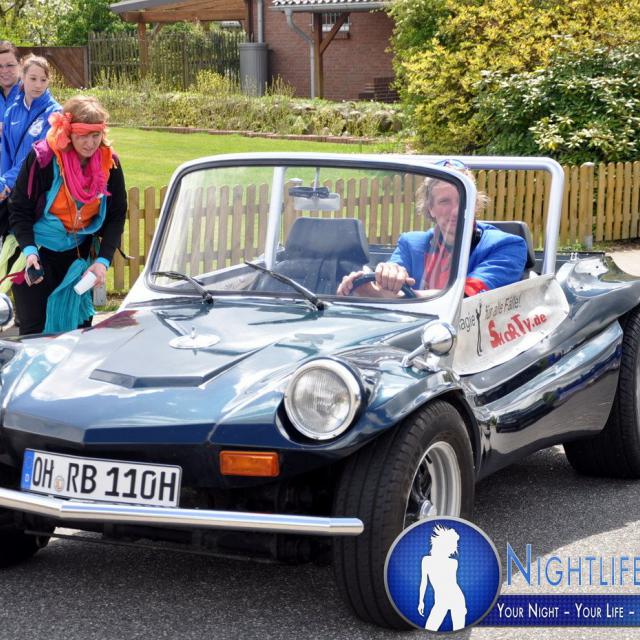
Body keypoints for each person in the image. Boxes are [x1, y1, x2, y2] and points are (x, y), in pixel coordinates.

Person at [7, 95, 126, 335]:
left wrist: (103, 261)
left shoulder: (109, 162)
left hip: (78, 255)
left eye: (96, 135)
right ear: (68, 132)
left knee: (79, 328)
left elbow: (116, 214)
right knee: (35, 331)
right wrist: (29, 251)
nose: (90, 144)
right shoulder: (43, 158)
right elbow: (19, 209)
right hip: (35, 253)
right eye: (83, 135)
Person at [337, 161, 528, 298]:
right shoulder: (411, 243)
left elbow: (468, 297)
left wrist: (407, 296)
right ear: (430, 208)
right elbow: (389, 287)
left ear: (475, 204)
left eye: (463, 201)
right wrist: (368, 287)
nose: (456, 211)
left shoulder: (507, 246)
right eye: (445, 201)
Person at [0, 55, 61, 208]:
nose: (38, 85)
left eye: (43, 80)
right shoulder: (12, 111)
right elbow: (6, 153)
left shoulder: (55, 113)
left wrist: (7, 181)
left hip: (39, 189)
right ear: (23, 77)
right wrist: (4, 185)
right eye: (33, 79)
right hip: (12, 190)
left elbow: (38, 155)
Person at [0, 40, 21, 140]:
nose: (4, 71)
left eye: (10, 65)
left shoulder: (32, 94)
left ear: (20, 64)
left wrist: (7, 130)